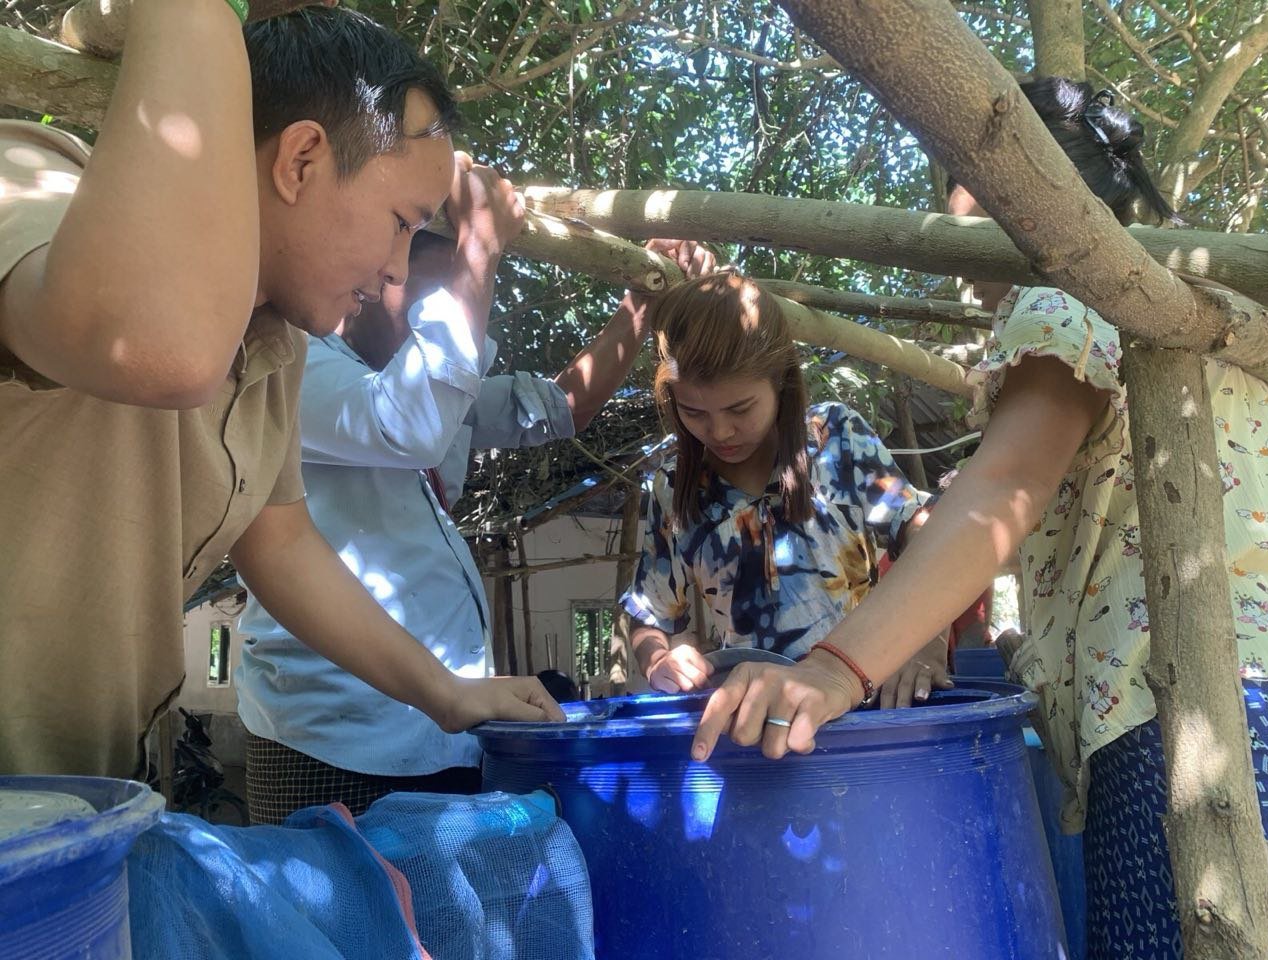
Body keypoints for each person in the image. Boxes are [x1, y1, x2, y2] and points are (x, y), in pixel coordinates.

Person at [692, 78, 1268, 956]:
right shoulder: (1217, 310)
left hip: (1185, 722)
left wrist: (837, 668)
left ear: (1013, 190)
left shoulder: (1077, 293)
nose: (944, 214)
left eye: (954, 186)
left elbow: (1003, 490)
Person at [0, 3, 561, 781]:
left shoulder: (277, 345)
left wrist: (447, 694)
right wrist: (190, 11)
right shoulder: (39, 186)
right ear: (300, 159)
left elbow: (283, 544)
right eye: (402, 221)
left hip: (69, 808)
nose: (400, 269)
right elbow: (157, 348)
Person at [235, 230, 715, 823]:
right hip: (332, 738)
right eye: (429, 288)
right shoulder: (298, 363)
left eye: (458, 289)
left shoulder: (438, 392)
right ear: (371, 278)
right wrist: (482, 239)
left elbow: (563, 406)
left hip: (442, 726)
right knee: (346, 912)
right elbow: (407, 422)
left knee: (434, 914)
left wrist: (639, 308)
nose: (446, 310)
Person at [622, 271, 954, 705]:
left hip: (864, 704)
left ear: (780, 379)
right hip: (752, 719)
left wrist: (927, 645)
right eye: (693, 411)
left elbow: (927, 533)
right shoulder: (673, 486)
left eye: (740, 408)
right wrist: (657, 661)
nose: (720, 430)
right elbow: (649, 615)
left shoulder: (837, 439)